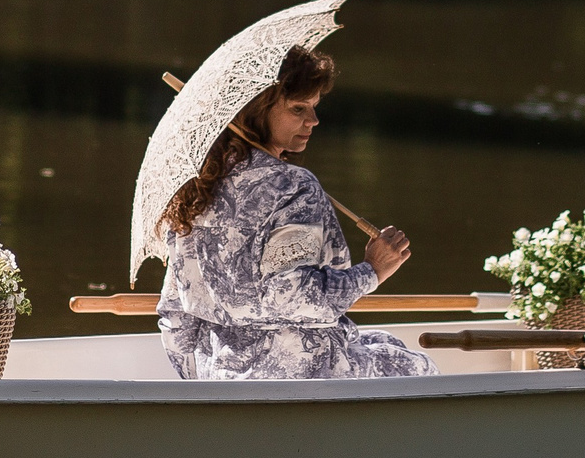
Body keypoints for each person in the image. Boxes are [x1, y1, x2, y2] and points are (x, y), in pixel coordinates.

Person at [155, 45, 436, 381]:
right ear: (256, 110)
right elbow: (293, 296)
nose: (313, 121)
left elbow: (175, 311)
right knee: (420, 368)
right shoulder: (292, 186)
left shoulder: (192, 190)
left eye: (314, 108)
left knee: (384, 342)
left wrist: (198, 385)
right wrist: (374, 270)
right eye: (298, 108)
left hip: (219, 374)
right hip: (301, 376)